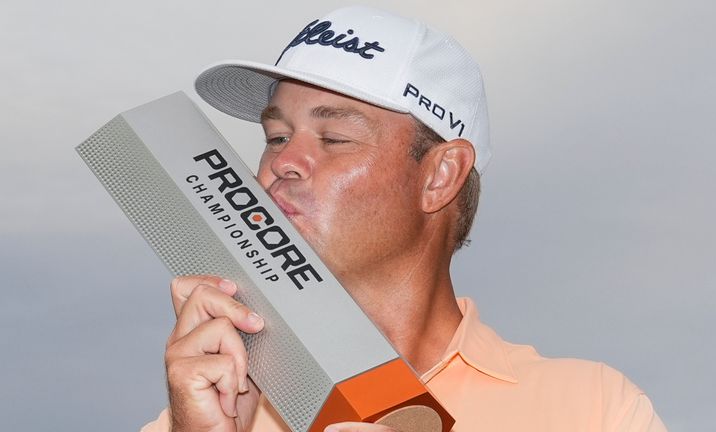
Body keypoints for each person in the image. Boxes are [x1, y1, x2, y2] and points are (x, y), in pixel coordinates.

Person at [142, 6, 666, 432]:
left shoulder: (592, 410)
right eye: (276, 137)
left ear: (440, 175)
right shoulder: (208, 410)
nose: (281, 163)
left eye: (334, 140)